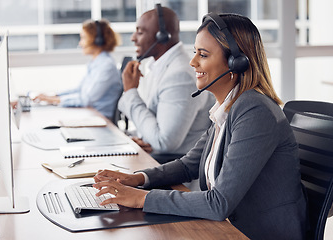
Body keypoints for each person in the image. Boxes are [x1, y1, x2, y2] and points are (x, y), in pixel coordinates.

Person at [92, 13, 308, 239]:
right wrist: (138, 179)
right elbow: (188, 165)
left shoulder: (254, 111)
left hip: (259, 232)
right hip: (230, 226)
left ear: (237, 62)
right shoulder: (227, 108)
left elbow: (219, 203)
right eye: (195, 52)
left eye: (202, 55)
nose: (193, 62)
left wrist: (139, 198)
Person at [118, 5, 214, 163]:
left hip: (176, 172)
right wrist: (141, 137)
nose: (133, 38)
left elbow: (164, 142)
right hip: (159, 160)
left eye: (140, 32)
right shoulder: (160, 67)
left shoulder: (180, 75)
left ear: (162, 36)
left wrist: (130, 92)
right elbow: (156, 125)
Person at [34, 19, 123, 122]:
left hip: (99, 120)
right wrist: (54, 96)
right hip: (89, 115)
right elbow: (79, 90)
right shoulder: (95, 63)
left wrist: (52, 100)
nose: (80, 43)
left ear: (97, 40)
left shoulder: (106, 66)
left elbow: (86, 100)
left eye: (83, 38)